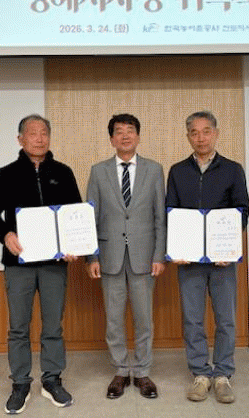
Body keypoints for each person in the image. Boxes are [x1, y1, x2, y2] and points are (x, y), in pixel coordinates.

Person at [0, 114, 81, 414]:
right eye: (33, 133)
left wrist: (73, 245)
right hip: (19, 263)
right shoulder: (6, 174)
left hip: (54, 263)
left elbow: (75, 214)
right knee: (18, 327)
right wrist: (5, 234)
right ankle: (20, 383)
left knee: (53, 325)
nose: (39, 138)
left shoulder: (63, 172)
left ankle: (52, 379)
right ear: (20, 139)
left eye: (44, 133)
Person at [165, 111, 249, 404]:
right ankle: (200, 373)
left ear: (215, 133)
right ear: (188, 136)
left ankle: (223, 374)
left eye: (206, 131)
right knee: (192, 319)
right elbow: (171, 211)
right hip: (189, 261)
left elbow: (242, 210)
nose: (200, 138)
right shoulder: (177, 171)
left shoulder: (233, 169)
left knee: (226, 319)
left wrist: (229, 247)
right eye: (194, 132)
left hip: (222, 260)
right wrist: (177, 248)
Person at [86, 114, 166, 400]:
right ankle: (120, 370)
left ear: (138, 137)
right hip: (109, 256)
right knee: (114, 320)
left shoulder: (154, 170)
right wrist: (92, 257)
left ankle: (142, 372)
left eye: (130, 131)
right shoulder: (98, 171)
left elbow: (160, 217)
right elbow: (91, 217)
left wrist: (159, 255)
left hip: (145, 257)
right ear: (111, 140)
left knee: (144, 319)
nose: (125, 136)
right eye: (119, 132)